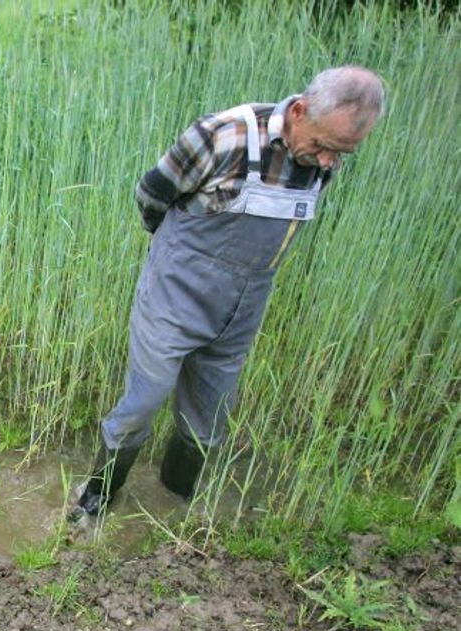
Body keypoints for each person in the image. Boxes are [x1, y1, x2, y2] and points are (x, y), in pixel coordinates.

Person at [71, 66, 385, 519]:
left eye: (341, 155)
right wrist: (174, 255)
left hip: (241, 310)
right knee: (144, 402)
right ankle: (94, 502)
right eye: (321, 146)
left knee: (208, 421)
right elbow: (151, 193)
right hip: (173, 297)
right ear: (299, 111)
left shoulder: (320, 163)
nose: (326, 163)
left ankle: (172, 505)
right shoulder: (222, 137)